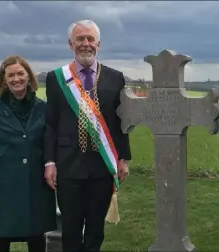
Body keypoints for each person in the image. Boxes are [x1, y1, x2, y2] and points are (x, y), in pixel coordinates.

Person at [43, 20, 132, 252]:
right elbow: (50, 123)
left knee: (95, 228)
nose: (85, 44)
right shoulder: (56, 79)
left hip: (102, 166)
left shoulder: (116, 78)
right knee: (70, 229)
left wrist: (123, 158)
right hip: (68, 165)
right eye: (80, 39)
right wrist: (50, 162)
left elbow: (121, 122)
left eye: (90, 39)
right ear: (70, 44)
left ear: (98, 44)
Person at [0, 55, 57, 252]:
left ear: (29, 76)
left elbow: (48, 142)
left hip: (34, 181)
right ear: (4, 80)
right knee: (0, 236)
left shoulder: (44, 108)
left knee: (36, 236)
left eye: (20, 73)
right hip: (2, 184)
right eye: (10, 75)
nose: (16, 79)